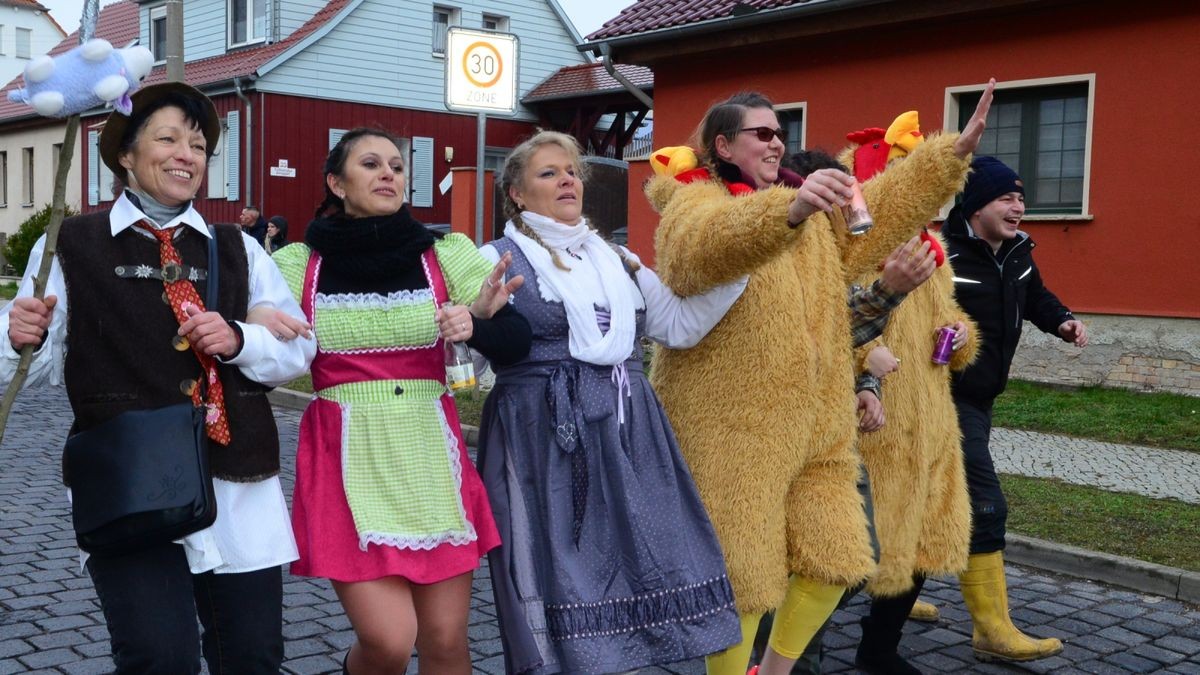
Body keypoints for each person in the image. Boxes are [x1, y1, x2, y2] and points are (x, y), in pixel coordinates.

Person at [643, 88, 988, 675]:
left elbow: (878, 213)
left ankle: (773, 671)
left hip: (818, 430)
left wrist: (946, 157)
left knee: (837, 560)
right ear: (723, 146)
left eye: (779, 132)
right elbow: (698, 251)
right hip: (734, 431)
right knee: (746, 582)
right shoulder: (694, 202)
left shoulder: (814, 224)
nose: (776, 141)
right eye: (761, 133)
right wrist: (790, 209)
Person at [0, 82, 316, 673]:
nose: (186, 155)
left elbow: (300, 352)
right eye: (168, 138)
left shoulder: (239, 249)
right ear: (126, 154)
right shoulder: (68, 244)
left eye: (197, 145)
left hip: (236, 485)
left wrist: (241, 339)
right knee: (158, 658)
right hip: (128, 486)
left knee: (252, 657)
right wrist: (19, 333)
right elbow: (28, 366)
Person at [475, 130, 752, 674]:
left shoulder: (616, 258)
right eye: (549, 173)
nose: (567, 181)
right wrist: (479, 322)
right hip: (540, 430)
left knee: (639, 556)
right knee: (552, 563)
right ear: (516, 193)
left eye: (572, 171)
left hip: (626, 425)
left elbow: (677, 325)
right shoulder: (495, 258)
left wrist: (736, 267)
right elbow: (467, 359)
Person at [269, 127, 531, 675]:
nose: (389, 173)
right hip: (345, 453)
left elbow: (516, 340)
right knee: (389, 642)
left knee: (444, 641)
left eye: (395, 164)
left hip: (429, 452)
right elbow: (264, 342)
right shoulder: (299, 264)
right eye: (371, 164)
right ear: (336, 183)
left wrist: (477, 322)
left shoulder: (443, 254)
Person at [830, 113, 983, 675]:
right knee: (858, 551)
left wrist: (961, 336)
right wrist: (864, 359)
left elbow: (950, 322)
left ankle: (878, 648)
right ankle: (787, 649)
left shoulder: (933, 253)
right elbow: (821, 331)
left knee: (921, 541)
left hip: (932, 423)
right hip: (876, 421)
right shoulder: (851, 248)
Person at [942, 155, 1087, 663]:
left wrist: (1063, 321)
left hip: (982, 397)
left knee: (923, 507)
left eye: (1021, 198)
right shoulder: (943, 254)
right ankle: (991, 629)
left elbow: (1035, 295)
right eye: (1006, 197)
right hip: (942, 400)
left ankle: (887, 596)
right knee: (985, 503)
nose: (1018, 206)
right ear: (977, 204)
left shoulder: (1019, 251)